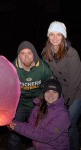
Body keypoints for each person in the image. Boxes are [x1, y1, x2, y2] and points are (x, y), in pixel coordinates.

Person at [42, 21, 81, 150]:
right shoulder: (45, 54)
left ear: (64, 37)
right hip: (60, 93)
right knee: (57, 123)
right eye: (52, 34)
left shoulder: (72, 54)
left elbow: (75, 81)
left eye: (59, 35)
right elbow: (49, 76)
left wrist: (67, 101)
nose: (55, 38)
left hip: (75, 93)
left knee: (69, 124)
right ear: (48, 36)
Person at [7, 41, 53, 150]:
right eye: (22, 53)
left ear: (34, 54)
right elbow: (6, 89)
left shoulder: (43, 68)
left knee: (38, 133)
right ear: (18, 55)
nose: (26, 57)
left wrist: (47, 105)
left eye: (29, 53)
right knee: (14, 134)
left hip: (37, 104)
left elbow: (50, 87)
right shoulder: (12, 68)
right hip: (19, 105)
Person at [9, 79, 71, 150]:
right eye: (48, 91)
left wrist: (18, 128)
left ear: (59, 94)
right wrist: (12, 123)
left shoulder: (62, 114)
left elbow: (45, 137)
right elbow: (31, 126)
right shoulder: (39, 107)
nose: (51, 95)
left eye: (54, 92)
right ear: (44, 93)